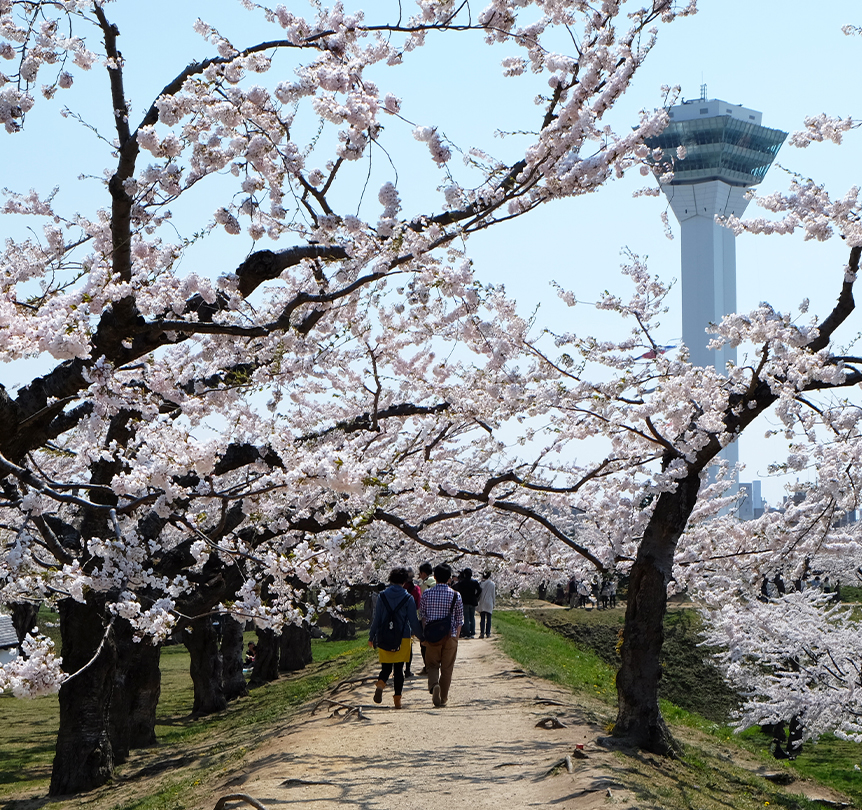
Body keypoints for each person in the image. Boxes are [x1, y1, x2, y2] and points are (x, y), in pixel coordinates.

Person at [368, 567, 421, 709]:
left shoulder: (382, 596)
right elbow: (413, 620)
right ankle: (397, 700)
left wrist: (371, 636)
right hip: (402, 637)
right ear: (404, 581)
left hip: (384, 636)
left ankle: (380, 684)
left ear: (390, 579)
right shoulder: (408, 598)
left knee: (386, 668)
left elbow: (377, 619)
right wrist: (422, 637)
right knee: (399, 670)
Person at [419, 563, 463, 707]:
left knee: (432, 664)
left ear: (435, 577)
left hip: (432, 635)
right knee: (447, 667)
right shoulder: (456, 595)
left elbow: (423, 616)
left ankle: (434, 685)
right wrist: (456, 637)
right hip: (450, 636)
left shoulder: (426, 593)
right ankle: (443, 697)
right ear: (449, 578)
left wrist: (425, 635)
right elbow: (459, 619)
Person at [403, 567, 422, 678]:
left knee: (397, 644)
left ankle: (397, 669)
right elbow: (418, 605)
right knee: (408, 645)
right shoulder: (415, 590)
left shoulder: (396, 589)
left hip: (396, 619)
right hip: (409, 619)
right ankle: (408, 669)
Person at [454, 568, 480, 638]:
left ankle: (467, 632)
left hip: (465, 601)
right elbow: (479, 590)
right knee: (472, 617)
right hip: (473, 601)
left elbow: (455, 588)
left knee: (466, 617)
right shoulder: (474, 582)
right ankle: (473, 632)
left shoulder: (462, 582)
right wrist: (476, 596)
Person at [477, 571, 496, 638]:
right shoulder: (492, 584)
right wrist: (494, 603)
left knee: (482, 618)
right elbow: (493, 595)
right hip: (489, 602)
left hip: (482, 602)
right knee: (489, 619)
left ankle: (482, 633)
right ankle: (488, 633)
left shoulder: (480, 584)